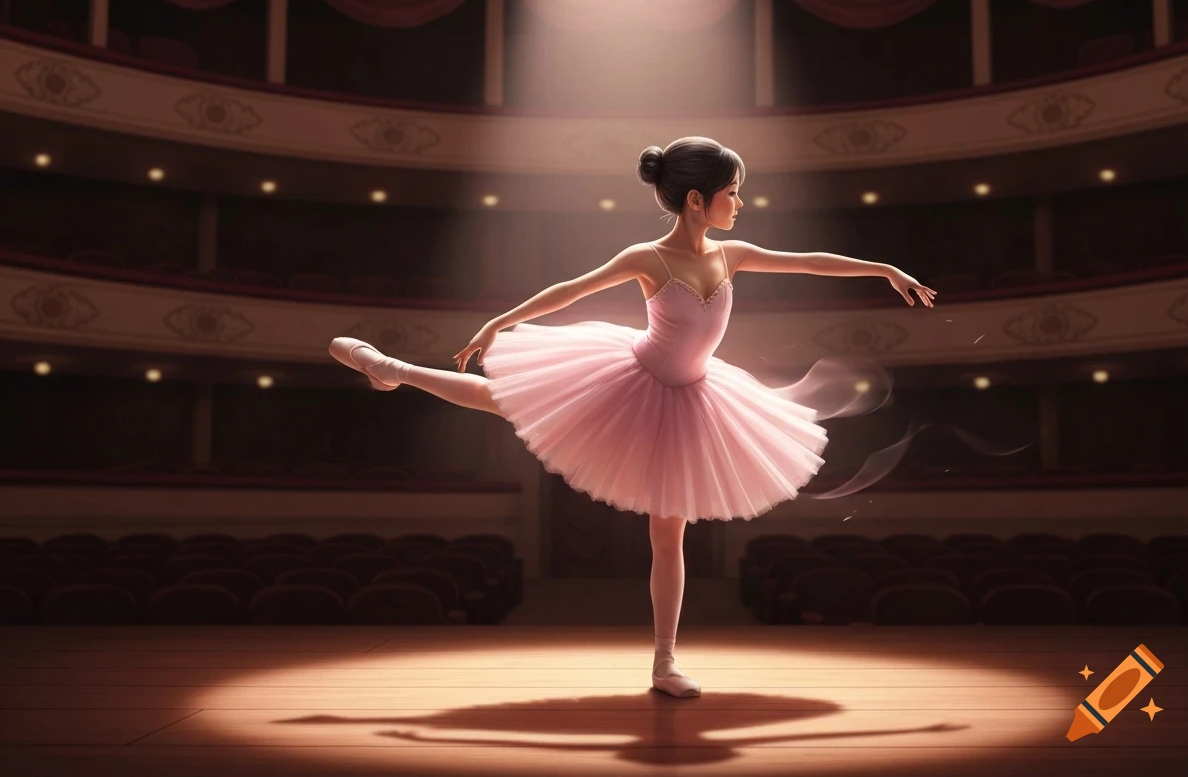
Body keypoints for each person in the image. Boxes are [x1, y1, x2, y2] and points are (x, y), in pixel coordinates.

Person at [329, 136, 936, 698]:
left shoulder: (733, 255)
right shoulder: (648, 257)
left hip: (695, 397)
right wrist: (498, 322)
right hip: (631, 381)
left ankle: (664, 663)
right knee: (503, 397)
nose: (740, 203)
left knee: (669, 535)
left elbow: (808, 262)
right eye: (732, 192)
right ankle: (391, 368)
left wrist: (883, 269)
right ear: (697, 200)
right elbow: (572, 289)